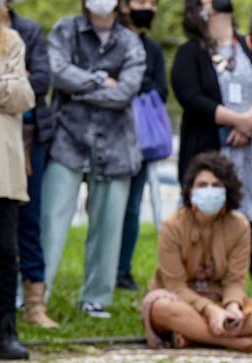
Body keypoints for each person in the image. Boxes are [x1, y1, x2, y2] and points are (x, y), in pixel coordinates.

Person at [41, 0, 146, 319]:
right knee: (51, 219)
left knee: (109, 224)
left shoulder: (130, 40)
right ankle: (33, 295)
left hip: (116, 145)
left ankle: (95, 298)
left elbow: (126, 91)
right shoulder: (65, 29)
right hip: (67, 140)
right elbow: (57, 73)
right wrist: (102, 80)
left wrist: (81, 88)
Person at [171, 0, 252, 297]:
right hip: (212, 151)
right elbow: (189, 96)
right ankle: (206, 295)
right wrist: (238, 120)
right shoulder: (190, 52)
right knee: (210, 222)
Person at [142, 152, 252, 353]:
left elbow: (234, 281)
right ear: (191, 191)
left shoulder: (239, 225)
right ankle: (242, 344)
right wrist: (209, 310)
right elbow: (175, 286)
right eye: (202, 185)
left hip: (220, 303)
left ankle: (193, 336)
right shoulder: (172, 226)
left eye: (216, 185)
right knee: (159, 307)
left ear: (227, 191)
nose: (209, 191)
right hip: (182, 303)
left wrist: (232, 308)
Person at [0, 0, 58, 329]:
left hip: (13, 150)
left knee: (16, 233)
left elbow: (31, 90)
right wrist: (1, 85)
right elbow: (12, 88)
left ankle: (26, 311)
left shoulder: (17, 37)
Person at [0, 0, 35, 358]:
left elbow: (23, 96)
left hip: (0, 165)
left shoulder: (12, 42)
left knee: (5, 251)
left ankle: (7, 335)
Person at [116, 0, 167, 292]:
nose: (147, 7)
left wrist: (131, 82)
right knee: (107, 207)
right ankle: (103, 267)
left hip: (142, 140)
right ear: (123, 5)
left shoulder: (154, 49)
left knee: (132, 207)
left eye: (152, 2)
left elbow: (161, 89)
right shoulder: (112, 40)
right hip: (109, 138)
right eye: (141, 1)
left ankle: (122, 270)